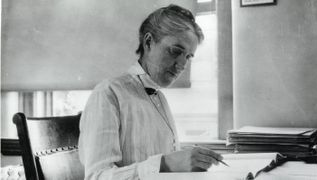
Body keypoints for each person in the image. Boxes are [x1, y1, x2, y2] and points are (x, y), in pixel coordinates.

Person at [78, 4, 223, 180]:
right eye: (175, 51)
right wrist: (165, 164)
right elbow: (97, 176)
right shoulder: (108, 94)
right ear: (148, 42)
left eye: (188, 57)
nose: (182, 65)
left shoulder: (158, 97)